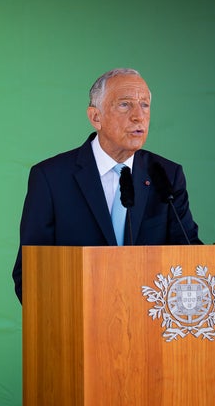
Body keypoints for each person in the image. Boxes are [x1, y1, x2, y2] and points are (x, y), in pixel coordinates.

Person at [12, 68, 202, 303]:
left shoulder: (166, 175)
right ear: (95, 117)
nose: (138, 116)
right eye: (125, 105)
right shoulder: (51, 178)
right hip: (77, 325)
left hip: (149, 327)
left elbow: (191, 258)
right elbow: (31, 273)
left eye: (144, 105)